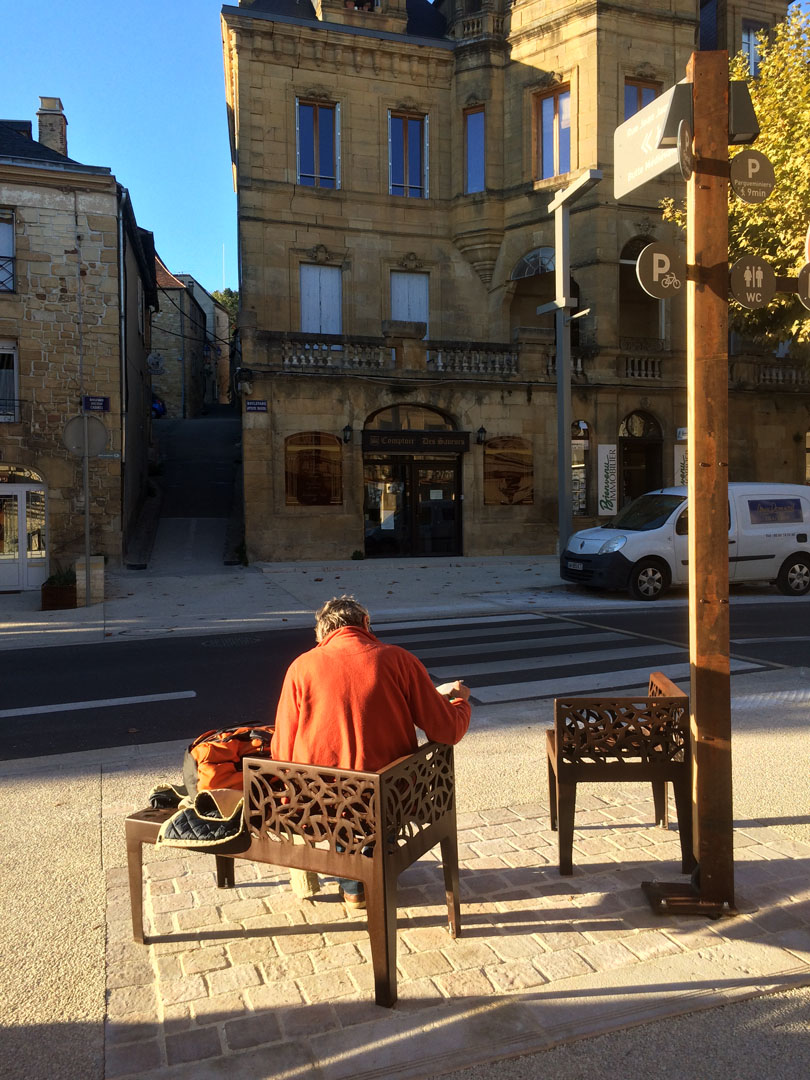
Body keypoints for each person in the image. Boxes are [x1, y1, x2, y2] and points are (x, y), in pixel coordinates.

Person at [272, 595, 471, 907]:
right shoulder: (398, 659)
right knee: (380, 790)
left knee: (338, 799)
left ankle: (355, 881)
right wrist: (459, 702)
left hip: (323, 799)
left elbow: (282, 745)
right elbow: (446, 729)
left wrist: (288, 797)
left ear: (323, 633)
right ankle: (368, 869)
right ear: (365, 625)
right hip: (390, 795)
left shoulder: (301, 667)